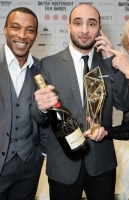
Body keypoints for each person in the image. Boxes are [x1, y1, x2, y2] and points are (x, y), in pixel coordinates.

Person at [32, 4, 129, 200]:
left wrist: (113, 67)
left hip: (102, 164)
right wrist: (41, 107)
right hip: (63, 165)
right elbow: (37, 116)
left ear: (99, 28)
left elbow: (124, 105)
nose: (85, 30)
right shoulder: (48, 64)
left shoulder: (107, 63)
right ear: (68, 26)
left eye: (91, 24)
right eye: (78, 23)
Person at [0, 7, 53, 200]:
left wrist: (42, 153)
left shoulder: (42, 69)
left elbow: (47, 116)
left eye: (30, 30)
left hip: (30, 164)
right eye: (16, 27)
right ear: (5, 29)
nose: (22, 35)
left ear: (36, 35)